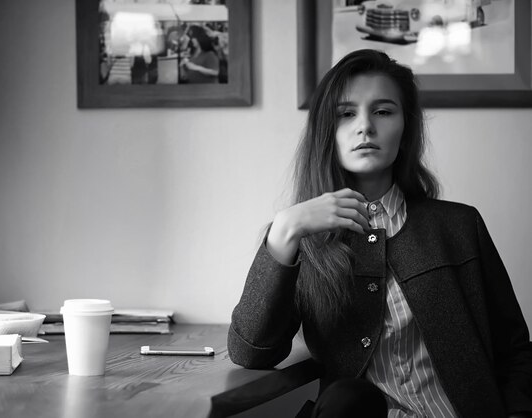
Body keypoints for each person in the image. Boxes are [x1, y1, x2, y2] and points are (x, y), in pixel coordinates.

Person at [228, 49, 532, 418]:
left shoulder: (459, 226)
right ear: (327, 131)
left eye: (383, 111)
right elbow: (251, 353)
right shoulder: (304, 241)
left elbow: (515, 351)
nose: (365, 127)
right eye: (346, 114)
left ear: (405, 130)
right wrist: (285, 230)